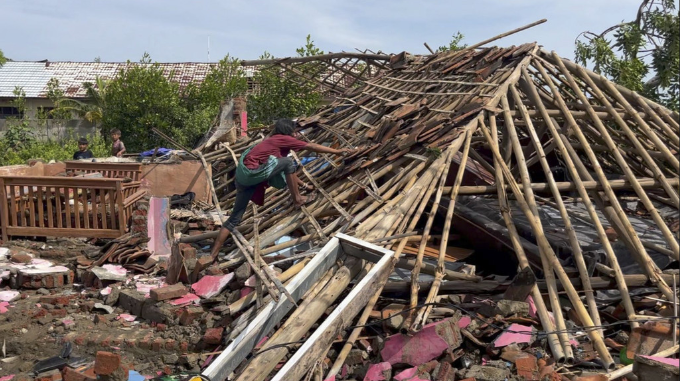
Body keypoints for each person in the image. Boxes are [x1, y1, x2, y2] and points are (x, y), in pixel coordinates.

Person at [209, 118, 352, 262]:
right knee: (289, 162)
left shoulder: (272, 143)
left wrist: (305, 186)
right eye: (295, 131)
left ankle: (212, 255)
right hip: (253, 173)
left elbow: (287, 172)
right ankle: (297, 199)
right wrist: (338, 151)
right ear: (288, 130)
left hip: (243, 177)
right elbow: (311, 147)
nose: (297, 134)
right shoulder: (282, 139)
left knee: (234, 219)